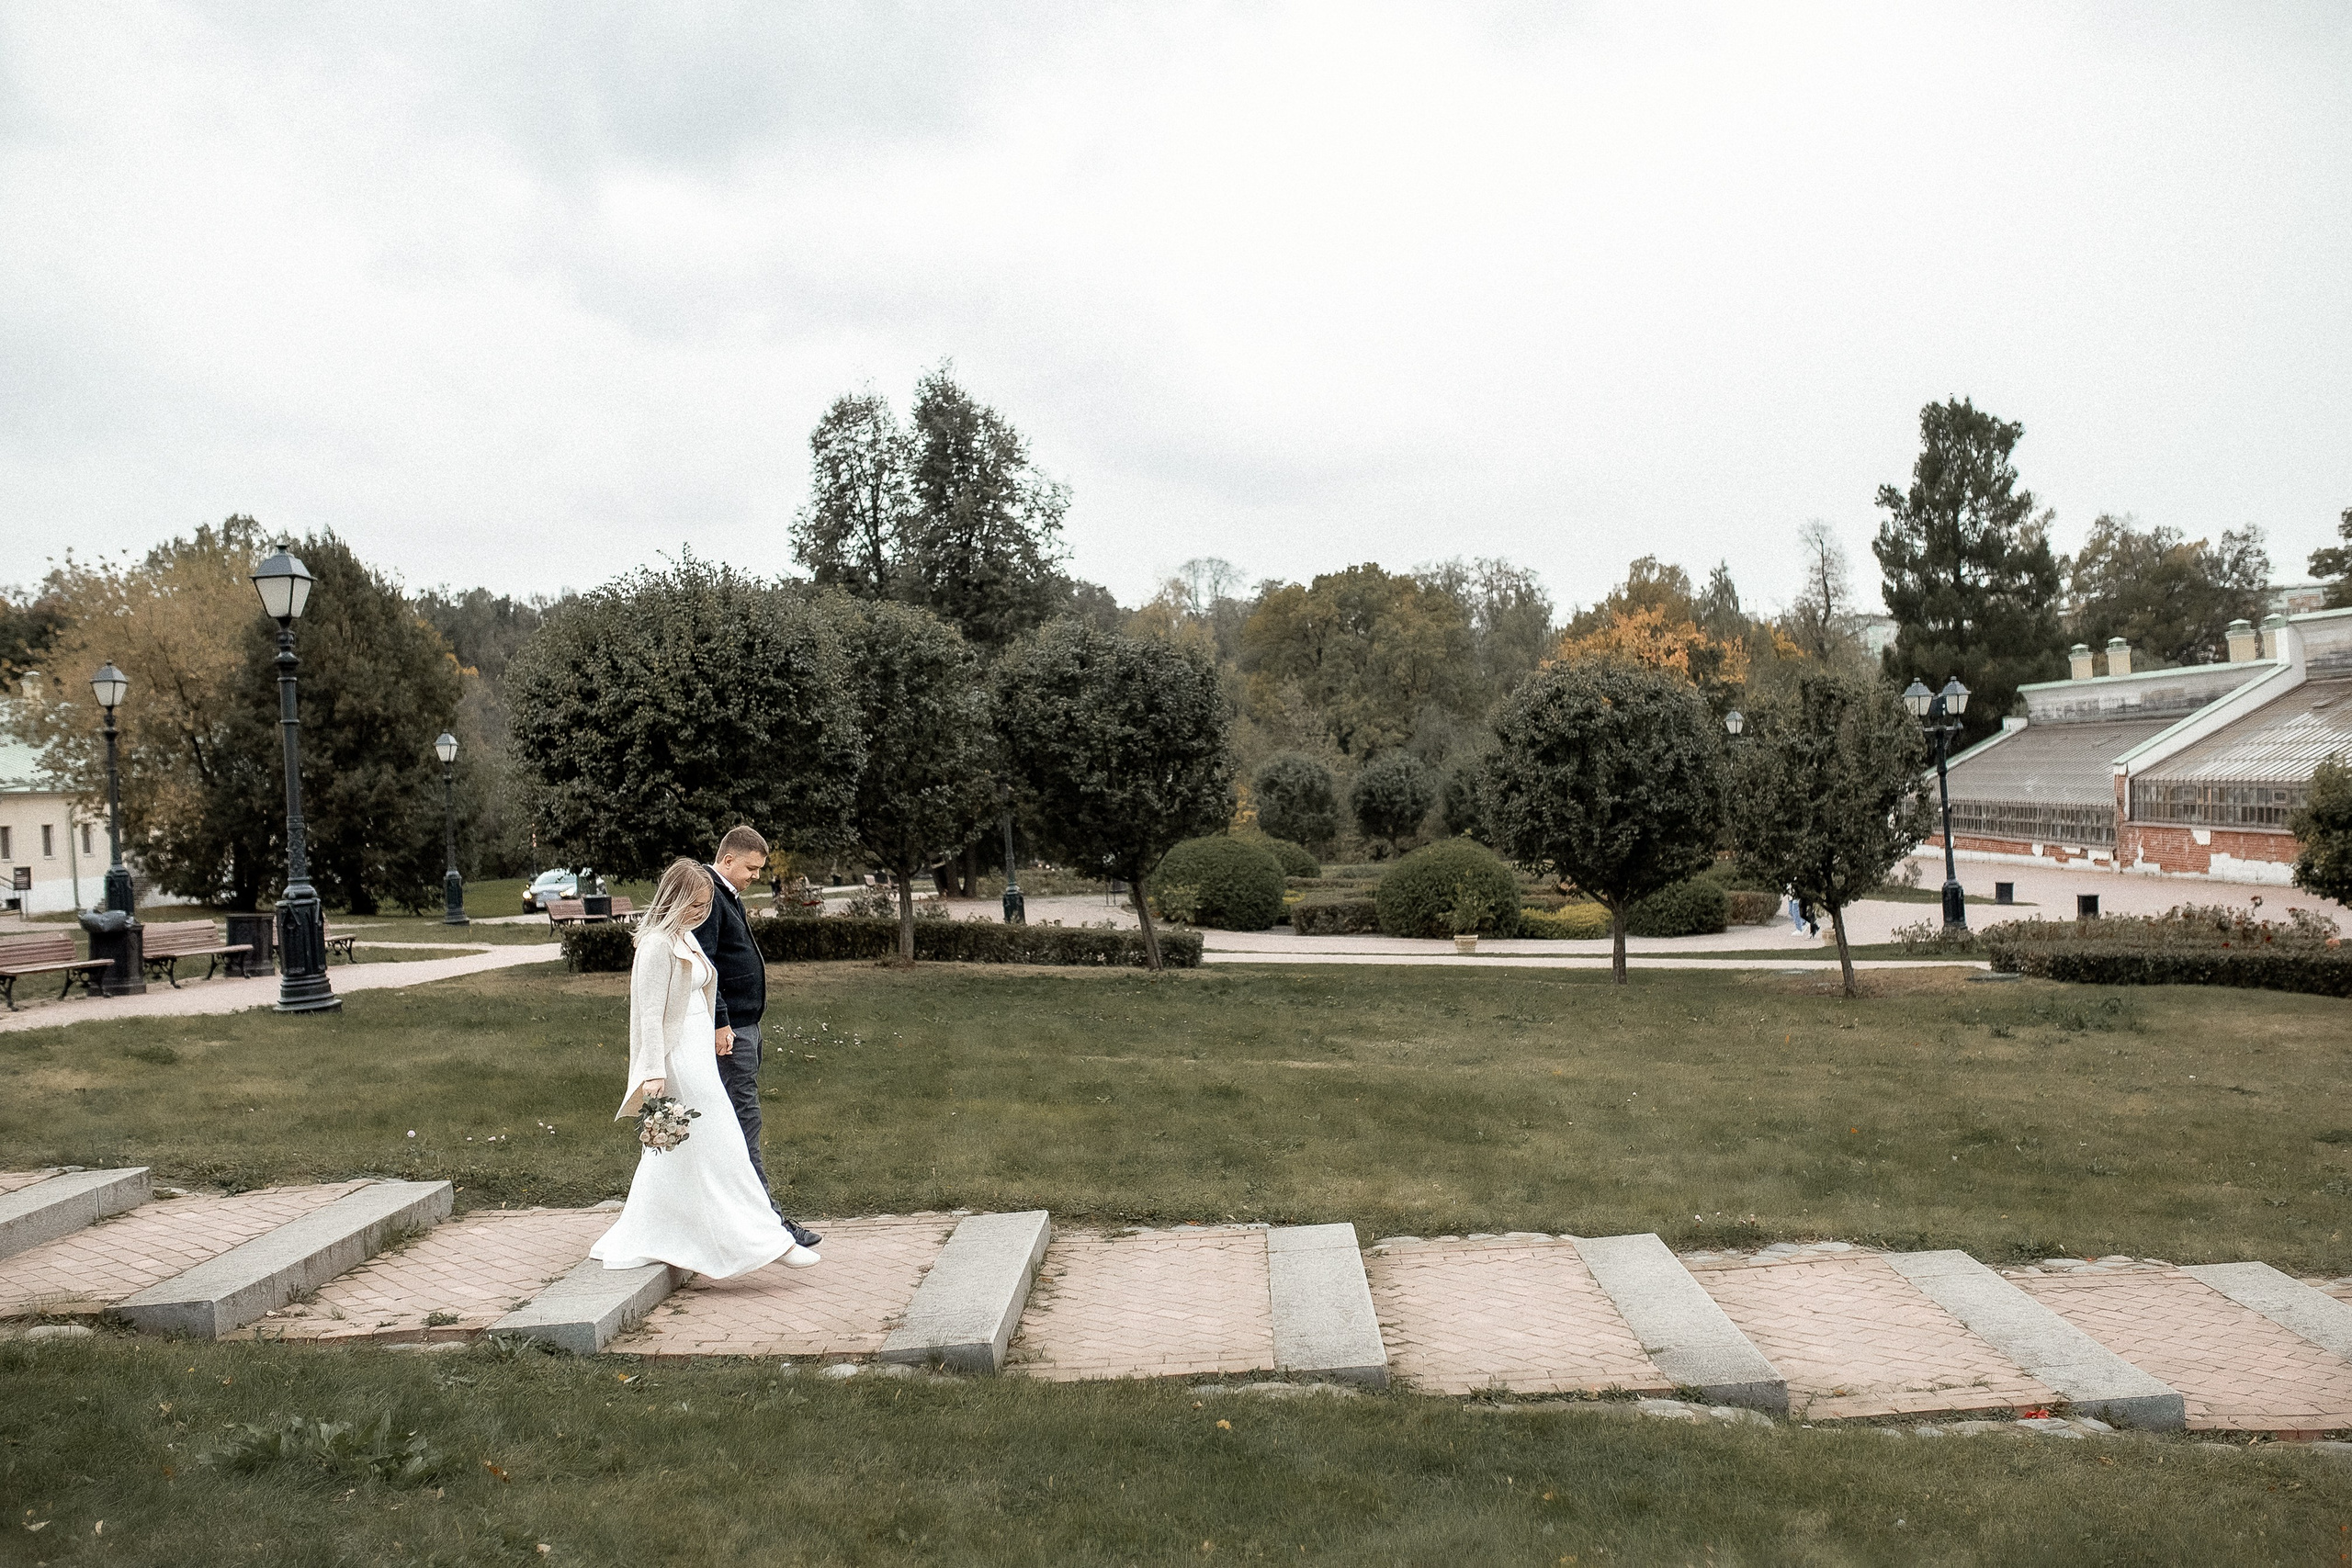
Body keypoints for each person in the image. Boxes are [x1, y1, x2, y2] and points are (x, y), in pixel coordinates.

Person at [590, 858, 819, 1276]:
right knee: (724, 1142)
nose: (701, 915)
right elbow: (649, 1014)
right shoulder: (657, 945)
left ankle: (653, 1230)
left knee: (671, 1150)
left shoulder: (684, 939)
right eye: (695, 906)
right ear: (674, 900)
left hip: (699, 1052)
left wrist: (719, 1027)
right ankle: (768, 1241)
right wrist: (653, 1069)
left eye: (705, 907)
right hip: (676, 1059)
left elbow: (702, 990)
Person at [690, 826, 823, 1253]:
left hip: (746, 1026)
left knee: (737, 1125)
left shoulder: (725, 891)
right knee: (744, 1126)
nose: (756, 876)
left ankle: (741, 1218)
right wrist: (720, 1022)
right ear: (728, 859)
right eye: (751, 868)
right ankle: (773, 1226)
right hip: (731, 1032)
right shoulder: (708, 894)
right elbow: (704, 967)